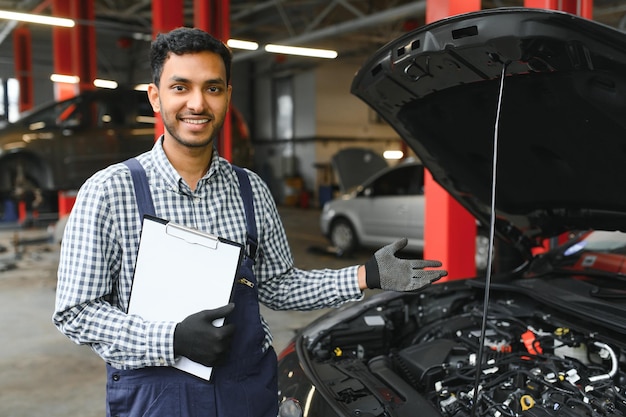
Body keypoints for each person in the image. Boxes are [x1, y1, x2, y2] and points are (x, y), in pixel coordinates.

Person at [52, 27, 447, 417]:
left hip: (247, 391)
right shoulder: (108, 192)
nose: (197, 103)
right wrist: (170, 339)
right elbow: (76, 312)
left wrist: (366, 275)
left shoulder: (250, 190)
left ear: (227, 96)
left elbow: (277, 286)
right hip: (157, 397)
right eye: (180, 87)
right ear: (155, 97)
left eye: (212, 87)